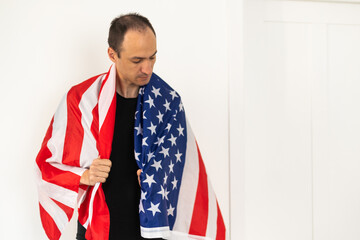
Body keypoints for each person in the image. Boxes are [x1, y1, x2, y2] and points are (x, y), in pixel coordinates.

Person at [35, 13, 226, 240]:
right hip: (98, 228)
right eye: (137, 60)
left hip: (150, 229)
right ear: (112, 54)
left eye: (152, 57)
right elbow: (48, 164)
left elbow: (185, 170)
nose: (147, 68)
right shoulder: (82, 101)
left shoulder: (168, 102)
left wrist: (156, 176)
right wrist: (84, 176)